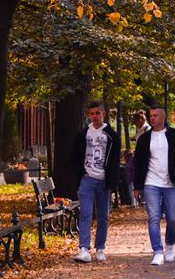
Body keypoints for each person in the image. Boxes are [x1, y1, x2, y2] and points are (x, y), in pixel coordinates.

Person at [133, 108, 175, 266]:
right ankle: (157, 251)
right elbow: (138, 164)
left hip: (171, 183)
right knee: (153, 218)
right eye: (150, 116)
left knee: (173, 219)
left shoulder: (174, 135)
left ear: (163, 117)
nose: (152, 118)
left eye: (155, 116)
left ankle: (170, 245)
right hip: (151, 183)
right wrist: (137, 186)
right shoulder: (145, 139)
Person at [71, 101, 120, 263]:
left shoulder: (112, 136)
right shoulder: (83, 134)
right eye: (92, 113)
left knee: (103, 216)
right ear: (88, 115)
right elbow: (75, 155)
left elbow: (114, 161)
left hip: (103, 181)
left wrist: (112, 181)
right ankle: (84, 249)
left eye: (97, 113)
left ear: (103, 114)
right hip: (87, 179)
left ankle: (100, 248)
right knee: (85, 213)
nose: (95, 116)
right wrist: (81, 172)